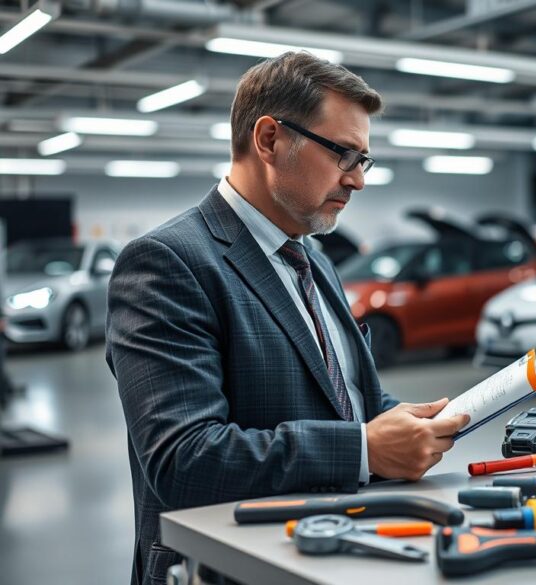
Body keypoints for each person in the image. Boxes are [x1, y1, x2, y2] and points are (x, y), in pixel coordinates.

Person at [106, 52, 469, 585]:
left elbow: (345, 397)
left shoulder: (313, 259)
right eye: (344, 154)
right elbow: (182, 461)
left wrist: (412, 424)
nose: (358, 180)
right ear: (270, 139)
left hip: (328, 553)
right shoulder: (167, 263)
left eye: (363, 160)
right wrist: (365, 449)